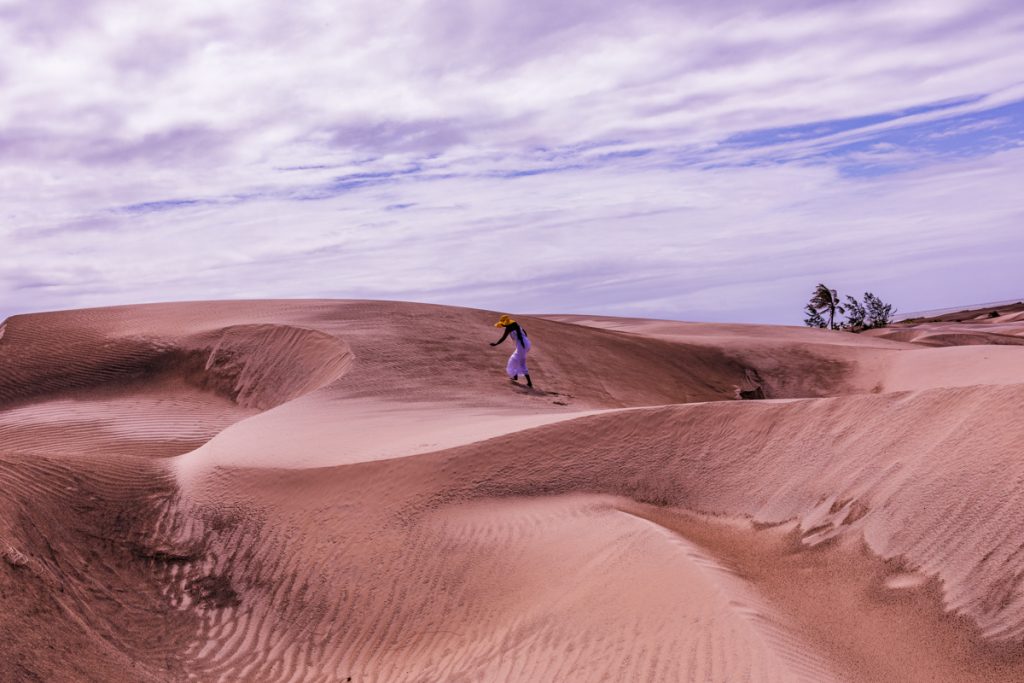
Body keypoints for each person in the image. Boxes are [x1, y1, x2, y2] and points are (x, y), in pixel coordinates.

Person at [491, 315, 533, 388]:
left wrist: (496, 344)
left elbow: (503, 338)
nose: (503, 325)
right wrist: (524, 343)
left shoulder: (508, 328)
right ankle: (515, 376)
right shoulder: (517, 325)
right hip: (526, 343)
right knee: (513, 359)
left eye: (502, 324)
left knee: (521, 363)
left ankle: (529, 383)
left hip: (521, 345)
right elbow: (525, 334)